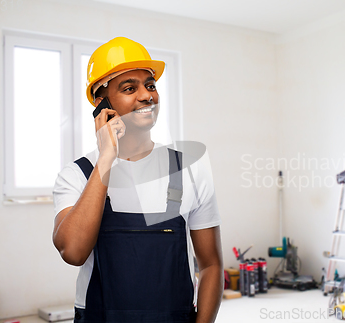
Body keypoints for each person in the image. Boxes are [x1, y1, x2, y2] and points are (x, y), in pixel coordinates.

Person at [52, 37, 223, 323]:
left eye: (151, 85)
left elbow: (211, 266)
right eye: (130, 88)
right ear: (101, 103)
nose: (147, 96)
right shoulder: (77, 175)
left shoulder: (189, 170)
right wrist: (106, 157)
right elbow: (73, 252)